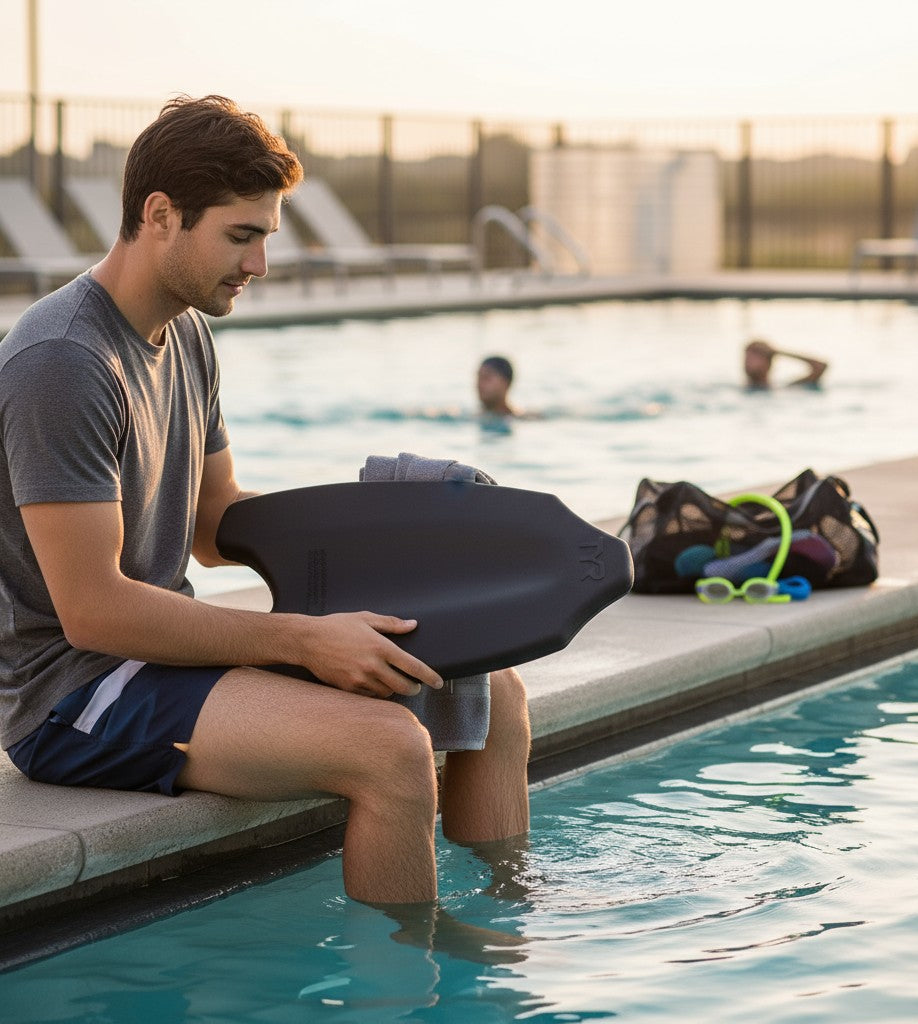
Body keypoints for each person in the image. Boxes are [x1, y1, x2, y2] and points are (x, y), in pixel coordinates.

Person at [0, 96, 531, 916]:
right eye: (240, 236)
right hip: (72, 696)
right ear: (160, 215)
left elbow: (217, 527)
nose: (259, 266)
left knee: (492, 696)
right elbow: (92, 612)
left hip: (157, 658)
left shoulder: (186, 334)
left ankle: (499, 941)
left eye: (264, 239)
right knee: (390, 750)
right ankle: (404, 1000)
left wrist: (398, 524)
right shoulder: (62, 359)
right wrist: (303, 641)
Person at [743, 339, 828, 390]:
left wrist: (778, 352)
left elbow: (820, 366)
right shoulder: (737, 390)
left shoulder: (784, 389)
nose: (749, 362)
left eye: (755, 358)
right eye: (747, 357)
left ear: (768, 364)